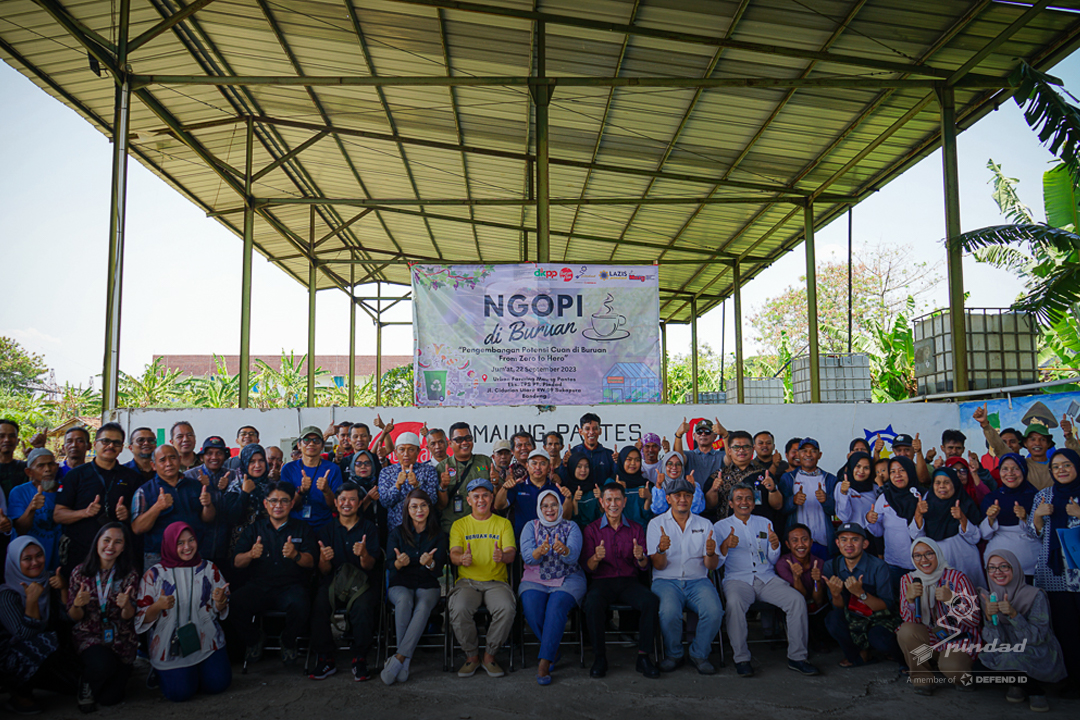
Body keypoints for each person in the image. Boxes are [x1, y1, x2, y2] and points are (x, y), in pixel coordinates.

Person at [714, 484, 818, 677]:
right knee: (734, 604)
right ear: (731, 503)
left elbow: (771, 559)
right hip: (738, 579)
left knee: (796, 600)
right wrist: (725, 545)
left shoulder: (764, 523)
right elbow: (716, 563)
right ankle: (741, 659)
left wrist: (775, 546)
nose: (744, 502)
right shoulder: (720, 527)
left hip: (766, 577)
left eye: (748, 498)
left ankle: (798, 657)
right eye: (739, 498)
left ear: (754, 503)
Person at [135, 522, 230, 702]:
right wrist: (157, 606)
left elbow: (220, 608)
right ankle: (164, 673)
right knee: (180, 694)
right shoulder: (154, 575)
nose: (187, 547)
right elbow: (141, 619)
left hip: (207, 641)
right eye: (180, 543)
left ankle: (195, 672)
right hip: (169, 646)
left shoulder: (209, 568)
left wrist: (220, 602)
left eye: (191, 540)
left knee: (218, 685)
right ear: (169, 544)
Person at [231, 482, 316, 667]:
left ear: (292, 504)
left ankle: (288, 641)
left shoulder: (302, 528)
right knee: (235, 603)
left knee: (302, 603)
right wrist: (250, 554)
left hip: (291, 587)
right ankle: (255, 639)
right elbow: (237, 562)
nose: (278, 505)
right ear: (265, 503)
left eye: (284, 501)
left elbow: (311, 562)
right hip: (260, 586)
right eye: (273, 501)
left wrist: (296, 555)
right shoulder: (254, 529)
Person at [581, 481, 659, 679]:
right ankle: (600, 657)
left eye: (617, 499)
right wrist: (596, 558)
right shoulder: (591, 530)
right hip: (602, 581)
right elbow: (588, 567)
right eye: (609, 500)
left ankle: (644, 657)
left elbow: (644, 566)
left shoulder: (636, 529)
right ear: (602, 502)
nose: (613, 504)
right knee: (591, 603)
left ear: (624, 502)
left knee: (650, 601)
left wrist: (640, 557)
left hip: (628, 581)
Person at [647, 476, 723, 674]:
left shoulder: (705, 524)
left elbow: (711, 565)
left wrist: (711, 553)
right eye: (677, 495)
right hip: (666, 581)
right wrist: (661, 550)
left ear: (692, 498)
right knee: (669, 613)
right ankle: (674, 654)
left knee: (714, 612)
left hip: (698, 580)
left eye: (687, 495)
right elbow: (659, 566)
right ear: (668, 498)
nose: (683, 499)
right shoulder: (656, 524)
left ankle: (699, 653)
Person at [308, 482, 380, 682]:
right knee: (318, 604)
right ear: (335, 503)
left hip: (361, 584)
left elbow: (370, 566)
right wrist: (324, 559)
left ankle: (360, 657)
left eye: (352, 499)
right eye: (342, 499)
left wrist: (364, 554)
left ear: (359, 503)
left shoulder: (369, 529)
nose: (347, 503)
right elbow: (324, 571)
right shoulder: (326, 530)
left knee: (364, 607)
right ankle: (325, 657)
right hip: (333, 583)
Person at [978, 549, 1065, 712]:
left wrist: (1014, 615)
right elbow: (994, 641)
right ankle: (1017, 682)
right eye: (992, 568)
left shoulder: (1035, 595)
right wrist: (990, 618)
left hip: (1035, 648)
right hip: (1007, 647)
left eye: (1004, 566)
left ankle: (1035, 691)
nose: (998, 572)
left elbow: (1036, 637)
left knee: (1011, 656)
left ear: (1015, 568)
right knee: (985, 659)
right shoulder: (988, 597)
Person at [66, 523, 139, 712]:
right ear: (97, 542)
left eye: (118, 542)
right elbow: (74, 617)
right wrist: (77, 604)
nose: (110, 546)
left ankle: (107, 674)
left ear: (123, 547)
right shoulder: (80, 573)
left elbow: (128, 617)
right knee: (102, 664)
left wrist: (126, 605)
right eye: (106, 540)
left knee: (110, 698)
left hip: (121, 638)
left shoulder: (129, 574)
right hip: (90, 636)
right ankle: (86, 682)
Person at [0, 535, 78, 714]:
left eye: (39, 556)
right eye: (27, 559)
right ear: (15, 562)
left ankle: (40, 680)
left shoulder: (50, 580)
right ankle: (19, 693)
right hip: (12, 658)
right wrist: (31, 601)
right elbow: (24, 635)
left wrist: (63, 588)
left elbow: (68, 619)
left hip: (48, 652)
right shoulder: (7, 594)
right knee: (46, 640)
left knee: (77, 684)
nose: (35, 562)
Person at [448, 477, 516, 679]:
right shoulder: (459, 525)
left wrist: (503, 556)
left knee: (506, 608)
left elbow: (511, 553)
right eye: (476, 496)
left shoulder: (503, 524)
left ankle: (489, 656)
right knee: (458, 608)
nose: (481, 500)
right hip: (467, 582)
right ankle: (472, 656)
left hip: (496, 582)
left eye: (485, 495)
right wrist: (461, 559)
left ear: (492, 498)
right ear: (468, 500)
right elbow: (454, 554)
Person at [1026, 447, 1080, 694]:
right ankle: (1073, 679)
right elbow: (1033, 533)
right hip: (1054, 575)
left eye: (1067, 465)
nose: (1061, 470)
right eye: (1056, 467)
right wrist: (1038, 516)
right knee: (1065, 630)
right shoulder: (1044, 495)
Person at [54, 423, 141, 575]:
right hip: (81, 553)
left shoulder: (132, 477)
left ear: (121, 448)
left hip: (118, 556)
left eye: (116, 443)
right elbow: (58, 515)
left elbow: (140, 520)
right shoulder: (75, 475)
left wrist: (128, 515)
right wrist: (84, 513)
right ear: (95, 445)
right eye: (105, 441)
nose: (110, 446)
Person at [897, 538, 980, 695]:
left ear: (938, 554)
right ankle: (923, 679)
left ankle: (963, 677)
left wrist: (952, 600)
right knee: (906, 630)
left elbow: (974, 619)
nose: (924, 560)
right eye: (917, 555)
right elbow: (909, 619)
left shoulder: (957, 578)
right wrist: (910, 601)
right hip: (932, 637)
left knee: (953, 669)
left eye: (929, 554)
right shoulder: (908, 580)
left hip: (958, 638)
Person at [519, 489, 585, 685]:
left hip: (568, 578)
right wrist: (539, 551)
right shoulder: (530, 526)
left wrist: (564, 550)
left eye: (554, 505)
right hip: (536, 578)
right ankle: (552, 650)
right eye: (545, 506)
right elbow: (528, 557)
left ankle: (544, 662)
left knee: (555, 607)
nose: (550, 509)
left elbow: (573, 557)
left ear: (560, 507)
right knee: (531, 607)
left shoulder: (571, 526)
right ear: (539, 508)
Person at [382, 489, 446, 686]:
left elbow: (439, 569)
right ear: (407, 510)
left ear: (429, 508)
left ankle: (400, 658)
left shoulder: (439, 535)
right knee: (404, 601)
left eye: (423, 505)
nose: (419, 510)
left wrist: (430, 563)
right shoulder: (397, 533)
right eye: (414, 506)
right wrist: (398, 563)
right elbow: (389, 565)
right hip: (401, 583)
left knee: (423, 605)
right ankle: (405, 660)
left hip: (428, 584)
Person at [822, 523, 900, 668]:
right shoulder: (831, 566)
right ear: (837, 543)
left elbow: (887, 605)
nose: (849, 544)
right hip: (852, 616)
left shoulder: (878, 566)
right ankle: (859, 654)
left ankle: (899, 657)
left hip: (876, 616)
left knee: (882, 641)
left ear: (865, 544)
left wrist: (861, 593)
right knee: (833, 620)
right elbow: (838, 606)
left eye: (855, 539)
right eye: (844, 539)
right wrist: (836, 594)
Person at [132, 445, 216, 569]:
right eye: (162, 460)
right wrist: (157, 507)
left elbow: (208, 519)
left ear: (179, 459)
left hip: (193, 552)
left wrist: (208, 505)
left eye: (173, 458)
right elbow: (137, 528)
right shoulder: (144, 491)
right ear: (153, 465)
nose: (169, 463)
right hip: (158, 556)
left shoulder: (195, 486)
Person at [909, 467, 984, 586]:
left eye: (947, 482)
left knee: (967, 592)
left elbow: (975, 538)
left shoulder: (965, 504)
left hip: (964, 562)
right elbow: (916, 536)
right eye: (937, 482)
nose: (942, 486)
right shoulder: (925, 506)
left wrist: (962, 518)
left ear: (955, 484)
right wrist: (918, 514)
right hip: (937, 565)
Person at [866, 457, 921, 594]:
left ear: (910, 471)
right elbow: (878, 532)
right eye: (893, 471)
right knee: (898, 599)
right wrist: (870, 520)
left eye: (902, 470)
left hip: (922, 563)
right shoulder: (884, 497)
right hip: (894, 562)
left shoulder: (922, 496)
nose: (897, 475)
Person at [979, 453, 1039, 579]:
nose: (1010, 473)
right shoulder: (991, 498)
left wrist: (1026, 518)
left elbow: (1043, 533)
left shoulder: (1036, 497)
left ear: (1024, 471)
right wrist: (991, 519)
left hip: (1031, 569)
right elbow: (984, 535)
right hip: (998, 571)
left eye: (1015, 468)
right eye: (1005, 469)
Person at [775, 524, 829, 651]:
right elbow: (800, 597)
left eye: (804, 539)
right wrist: (797, 578)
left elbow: (819, 600)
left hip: (816, 609)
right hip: (795, 608)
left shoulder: (819, 562)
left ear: (811, 542)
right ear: (788, 545)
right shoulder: (783, 563)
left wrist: (817, 581)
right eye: (795, 540)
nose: (800, 544)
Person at [779, 438, 837, 555]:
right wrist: (793, 501)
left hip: (823, 541)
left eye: (813, 451)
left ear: (820, 455)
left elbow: (835, 511)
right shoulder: (788, 478)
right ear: (798, 454)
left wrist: (826, 501)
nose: (808, 454)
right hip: (797, 544)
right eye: (804, 451)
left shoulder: (830, 479)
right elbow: (781, 509)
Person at [495, 448, 567, 539]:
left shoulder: (556, 489)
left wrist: (568, 498)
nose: (538, 467)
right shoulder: (518, 487)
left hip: (550, 541)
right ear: (527, 466)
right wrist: (504, 488)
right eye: (534, 463)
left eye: (542, 464)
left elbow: (565, 516)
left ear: (549, 467)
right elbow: (499, 506)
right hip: (522, 540)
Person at [281, 426, 344, 530]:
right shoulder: (288, 469)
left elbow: (335, 507)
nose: (311, 444)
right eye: (306, 440)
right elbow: (285, 505)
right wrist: (301, 491)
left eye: (316, 440)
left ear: (322, 445)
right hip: (295, 527)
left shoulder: (332, 469)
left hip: (324, 526)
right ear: (299, 445)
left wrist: (326, 490)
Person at [712, 430, 782, 524]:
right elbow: (709, 505)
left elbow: (778, 505)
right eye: (736, 447)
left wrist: (772, 490)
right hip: (727, 529)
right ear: (729, 451)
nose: (741, 450)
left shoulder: (764, 474)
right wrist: (713, 490)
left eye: (746, 447)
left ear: (753, 449)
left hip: (758, 528)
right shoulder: (719, 475)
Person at [10, 448, 62, 570]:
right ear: (29, 472)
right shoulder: (19, 492)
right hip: (30, 563)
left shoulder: (64, 490)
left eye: (51, 464)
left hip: (58, 562)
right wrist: (32, 508)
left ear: (56, 467)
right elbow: (20, 529)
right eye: (41, 466)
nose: (47, 469)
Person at [437, 423, 493, 535]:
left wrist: (496, 483)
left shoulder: (485, 461)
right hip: (453, 527)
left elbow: (495, 497)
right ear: (450, 443)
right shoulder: (442, 467)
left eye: (468, 438)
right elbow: (440, 506)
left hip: (481, 527)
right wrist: (443, 487)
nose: (464, 443)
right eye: (459, 439)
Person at [378, 432, 438, 531]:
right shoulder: (387, 472)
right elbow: (385, 502)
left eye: (411, 449)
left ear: (418, 451)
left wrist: (417, 485)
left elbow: (433, 500)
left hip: (424, 529)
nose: (406, 454)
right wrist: (397, 485)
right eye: (402, 449)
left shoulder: (428, 470)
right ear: (395, 452)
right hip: (396, 530)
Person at [673, 418, 725, 492]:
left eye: (707, 432)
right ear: (694, 436)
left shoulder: (721, 455)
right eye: (699, 432)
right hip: (692, 497)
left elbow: (731, 455)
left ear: (715, 436)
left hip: (715, 497)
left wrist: (725, 434)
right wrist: (679, 434)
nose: (703, 434)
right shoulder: (689, 455)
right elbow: (677, 457)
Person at [649, 451, 704, 515]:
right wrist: (659, 486)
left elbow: (696, 510)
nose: (674, 467)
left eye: (678, 464)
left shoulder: (693, 484)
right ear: (664, 466)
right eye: (670, 463)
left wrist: (692, 487)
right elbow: (658, 510)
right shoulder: (658, 488)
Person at [835, 451, 879, 531]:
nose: (861, 471)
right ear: (851, 467)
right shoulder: (842, 486)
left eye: (866, 468)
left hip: (871, 534)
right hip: (850, 534)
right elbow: (844, 517)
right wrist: (844, 494)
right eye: (858, 466)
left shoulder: (875, 488)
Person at [614, 446, 651, 528]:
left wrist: (649, 498)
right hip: (618, 531)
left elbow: (648, 517)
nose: (633, 463)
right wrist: (616, 492)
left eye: (637, 460)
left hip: (641, 531)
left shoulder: (646, 485)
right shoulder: (612, 483)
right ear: (622, 460)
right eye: (629, 459)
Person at [570, 413, 615, 481]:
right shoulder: (573, 453)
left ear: (600, 431)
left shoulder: (609, 455)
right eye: (587, 429)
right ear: (580, 431)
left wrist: (618, 463)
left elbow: (615, 478)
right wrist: (564, 465)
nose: (591, 432)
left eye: (595, 428)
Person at [563, 451, 602, 528]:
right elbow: (568, 522)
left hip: (596, 531)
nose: (583, 470)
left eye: (586, 466)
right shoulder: (566, 491)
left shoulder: (596, 489)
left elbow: (602, 517)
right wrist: (574, 502)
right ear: (572, 467)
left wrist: (601, 500)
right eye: (579, 466)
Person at [0, 419, 27, 498]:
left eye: (11, 436)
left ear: (17, 441)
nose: (7, 440)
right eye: (1, 436)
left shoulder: (25, 468)